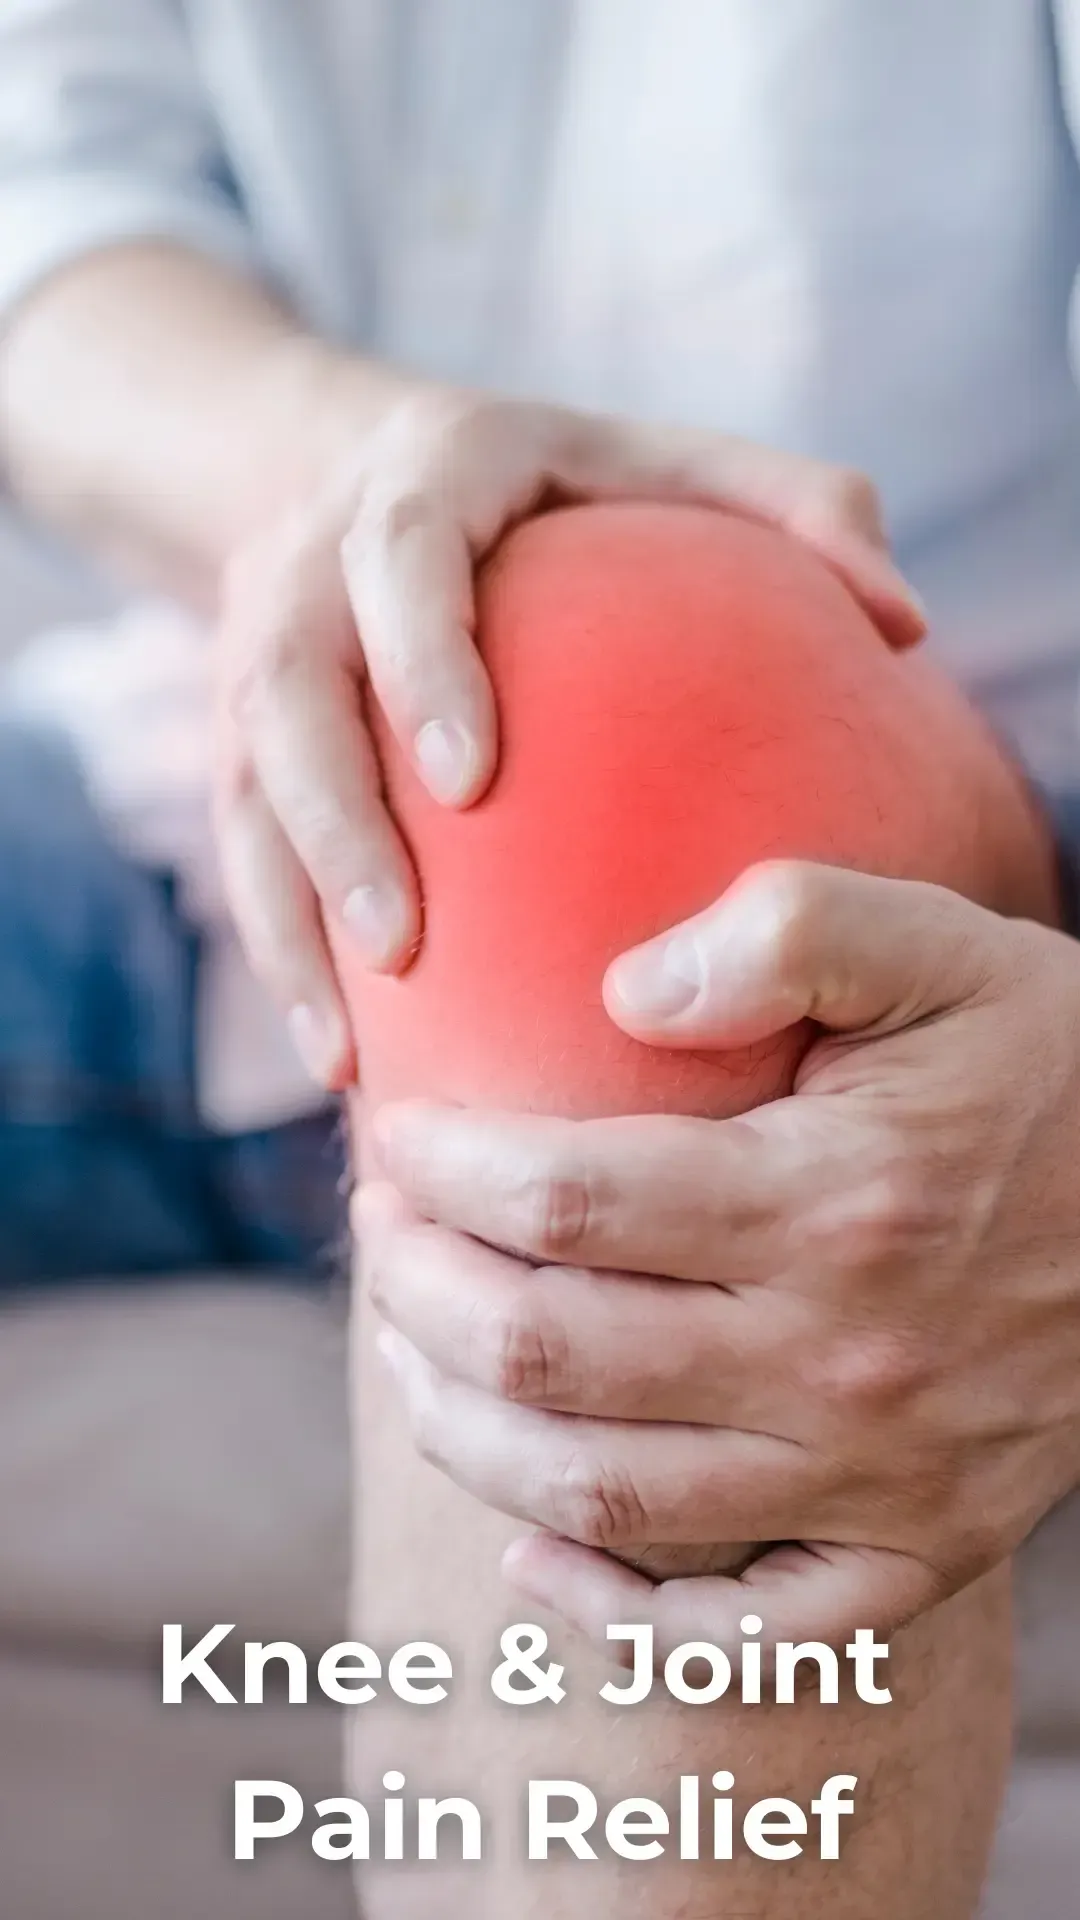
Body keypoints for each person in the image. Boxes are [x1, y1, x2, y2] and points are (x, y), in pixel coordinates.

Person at [2, 4, 1080, 1915]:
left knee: (608, 716)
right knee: (498, 645)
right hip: (185, 799)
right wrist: (369, 491)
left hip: (942, 797)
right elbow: (55, 224)